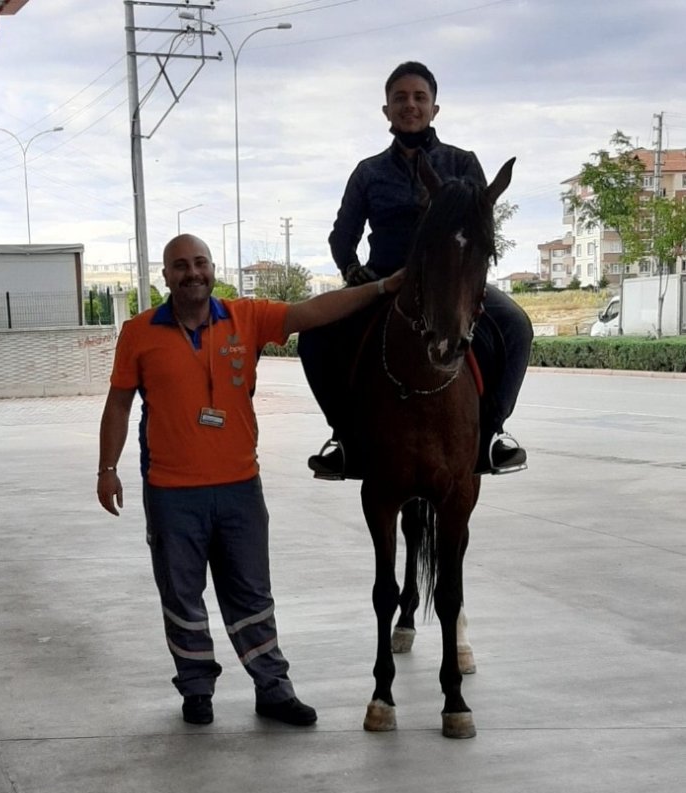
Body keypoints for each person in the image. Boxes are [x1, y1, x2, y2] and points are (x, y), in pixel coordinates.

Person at [97, 233, 403, 727]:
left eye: (199, 263)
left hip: (240, 487)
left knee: (252, 595)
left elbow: (316, 310)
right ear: (165, 276)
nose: (191, 273)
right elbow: (118, 403)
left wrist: (384, 286)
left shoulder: (246, 317)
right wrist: (107, 468)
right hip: (172, 493)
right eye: (180, 266)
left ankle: (273, 689)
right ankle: (196, 691)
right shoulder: (139, 332)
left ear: (213, 268)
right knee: (181, 596)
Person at [302, 60, 532, 480]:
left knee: (517, 325)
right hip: (384, 281)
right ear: (387, 110)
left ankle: (493, 433)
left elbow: (480, 227)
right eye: (400, 98)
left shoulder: (463, 163)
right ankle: (342, 437)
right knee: (314, 336)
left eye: (419, 97)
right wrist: (355, 274)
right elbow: (342, 237)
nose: (410, 105)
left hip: (451, 283)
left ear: (434, 108)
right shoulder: (368, 172)